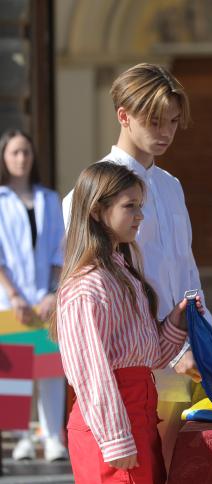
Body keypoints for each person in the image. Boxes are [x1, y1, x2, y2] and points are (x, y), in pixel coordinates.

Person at [62, 63, 212, 470]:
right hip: (135, 370)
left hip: (186, 356)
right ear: (123, 115)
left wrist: (204, 339)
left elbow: (187, 267)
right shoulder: (91, 191)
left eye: (173, 122)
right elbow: (93, 291)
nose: (165, 132)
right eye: (154, 121)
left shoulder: (171, 185)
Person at [52, 162, 200, 483]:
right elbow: (91, 372)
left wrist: (177, 320)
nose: (139, 215)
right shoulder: (86, 286)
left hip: (140, 418)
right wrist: (115, 438)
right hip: (111, 427)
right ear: (96, 211)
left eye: (140, 206)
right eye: (129, 206)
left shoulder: (124, 274)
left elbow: (148, 357)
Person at [0, 129, 68, 462]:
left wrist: (52, 293)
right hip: (10, 301)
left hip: (45, 300)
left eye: (26, 152)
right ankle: (22, 437)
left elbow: (60, 250)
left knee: (50, 370)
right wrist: (13, 295)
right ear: (4, 157)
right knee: (14, 371)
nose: (21, 158)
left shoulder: (49, 199)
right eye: (14, 152)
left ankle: (52, 437)